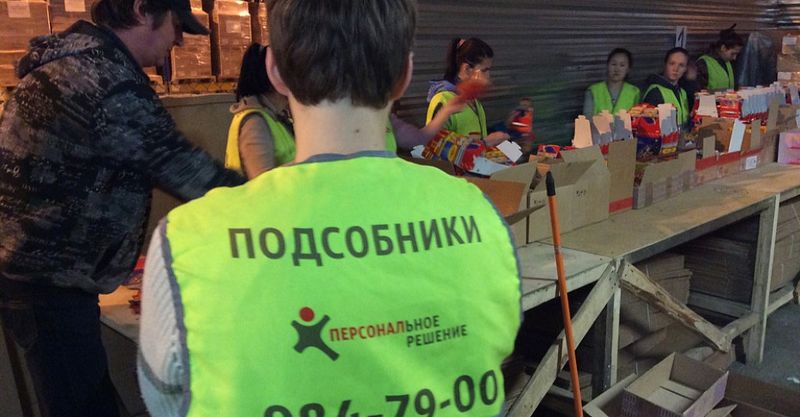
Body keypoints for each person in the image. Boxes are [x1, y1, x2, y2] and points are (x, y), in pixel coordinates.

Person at [137, 0, 522, 415]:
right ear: (403, 75)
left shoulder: (185, 242)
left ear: (276, 71)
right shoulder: (483, 219)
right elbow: (493, 358)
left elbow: (169, 402)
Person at [0, 0, 244, 414]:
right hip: (49, 283)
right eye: (176, 25)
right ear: (142, 10)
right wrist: (276, 200)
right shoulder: (104, 80)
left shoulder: (74, 64)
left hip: (39, 276)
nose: (179, 41)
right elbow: (187, 171)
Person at [226, 42, 295, 179]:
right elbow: (262, 180)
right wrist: (306, 164)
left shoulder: (276, 115)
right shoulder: (254, 124)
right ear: (274, 75)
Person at [427, 37, 510, 146]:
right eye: (484, 70)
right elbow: (435, 146)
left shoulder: (475, 103)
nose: (488, 77)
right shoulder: (443, 100)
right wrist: (484, 143)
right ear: (466, 69)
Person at [583, 48, 640, 116]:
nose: (617, 69)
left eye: (622, 65)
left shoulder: (634, 92)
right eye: (613, 64)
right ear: (607, 65)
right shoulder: (593, 91)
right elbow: (587, 118)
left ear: (628, 69)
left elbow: (636, 118)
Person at [643, 47, 691, 127]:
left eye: (681, 65)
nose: (676, 69)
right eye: (672, 63)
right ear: (665, 65)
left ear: (685, 69)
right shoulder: (655, 92)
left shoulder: (683, 92)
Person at [697, 25, 744, 91]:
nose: (734, 58)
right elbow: (698, 91)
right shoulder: (703, 63)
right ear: (723, 48)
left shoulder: (729, 63)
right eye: (733, 53)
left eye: (737, 54)